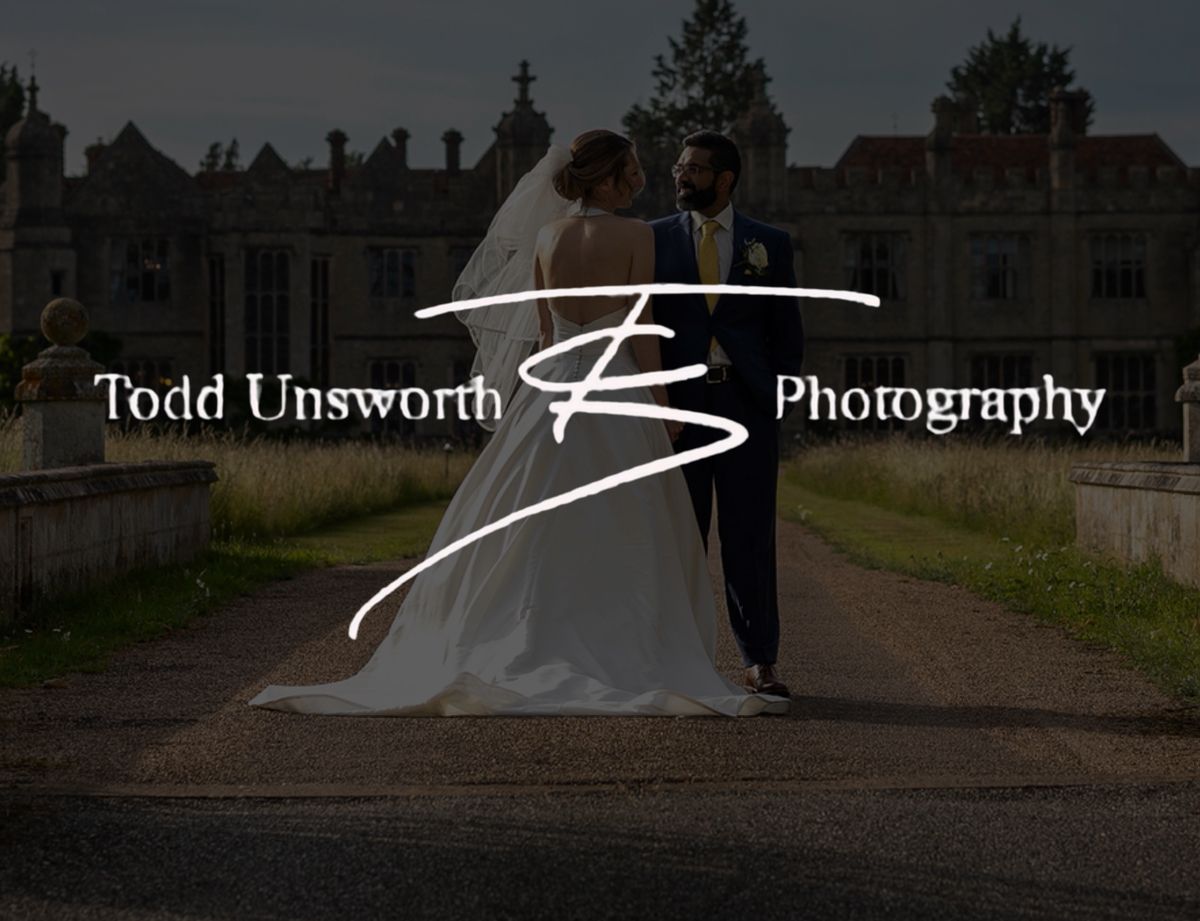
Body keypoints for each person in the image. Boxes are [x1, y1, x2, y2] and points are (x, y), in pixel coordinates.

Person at [249, 130, 787, 716]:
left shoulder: (546, 235)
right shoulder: (636, 235)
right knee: (628, 525)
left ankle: (514, 635)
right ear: (607, 178)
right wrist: (660, 402)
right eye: (632, 171)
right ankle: (618, 642)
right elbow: (640, 329)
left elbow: (546, 334)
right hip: (614, 385)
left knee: (527, 524)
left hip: (551, 389)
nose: (641, 180)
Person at [650, 130, 805, 698]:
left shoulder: (770, 243)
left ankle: (760, 660)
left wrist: (774, 395)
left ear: (724, 179)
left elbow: (787, 330)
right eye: (678, 166)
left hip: (746, 406)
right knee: (680, 537)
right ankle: (676, 659)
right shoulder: (653, 239)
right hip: (679, 408)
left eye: (693, 168)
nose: (680, 175)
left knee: (750, 538)